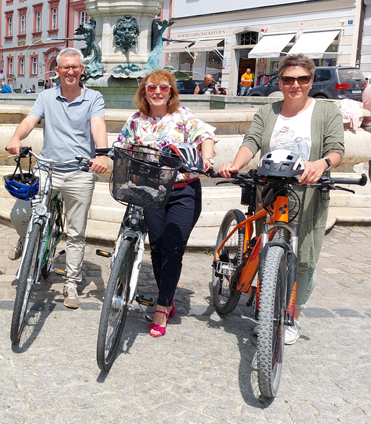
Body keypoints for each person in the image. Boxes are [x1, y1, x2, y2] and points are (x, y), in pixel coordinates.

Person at [219, 53, 344, 344]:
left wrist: (321, 164)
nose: (296, 85)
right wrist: (237, 164)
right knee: (268, 253)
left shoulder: (326, 112)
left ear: (311, 81)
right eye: (289, 79)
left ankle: (291, 318)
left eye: (303, 79)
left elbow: (337, 149)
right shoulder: (268, 111)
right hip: (271, 193)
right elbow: (251, 141)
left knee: (304, 259)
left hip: (308, 195)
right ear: (280, 81)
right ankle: (267, 313)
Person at [6, 47, 109, 309]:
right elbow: (30, 120)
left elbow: (98, 125)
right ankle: (24, 238)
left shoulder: (94, 98)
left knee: (76, 232)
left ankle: (71, 283)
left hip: (79, 172)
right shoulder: (46, 96)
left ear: (82, 70)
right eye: (66, 67)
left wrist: (102, 154)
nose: (71, 71)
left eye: (75, 67)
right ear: (58, 71)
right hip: (48, 168)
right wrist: (17, 137)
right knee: (20, 213)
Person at [116, 69, 216, 337]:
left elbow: (205, 135)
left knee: (173, 248)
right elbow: (122, 144)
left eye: (163, 88)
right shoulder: (137, 120)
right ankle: (167, 295)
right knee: (158, 247)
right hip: (152, 192)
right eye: (152, 88)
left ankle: (163, 305)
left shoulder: (182, 116)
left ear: (171, 91)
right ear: (144, 92)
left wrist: (206, 159)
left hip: (184, 190)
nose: (158, 92)